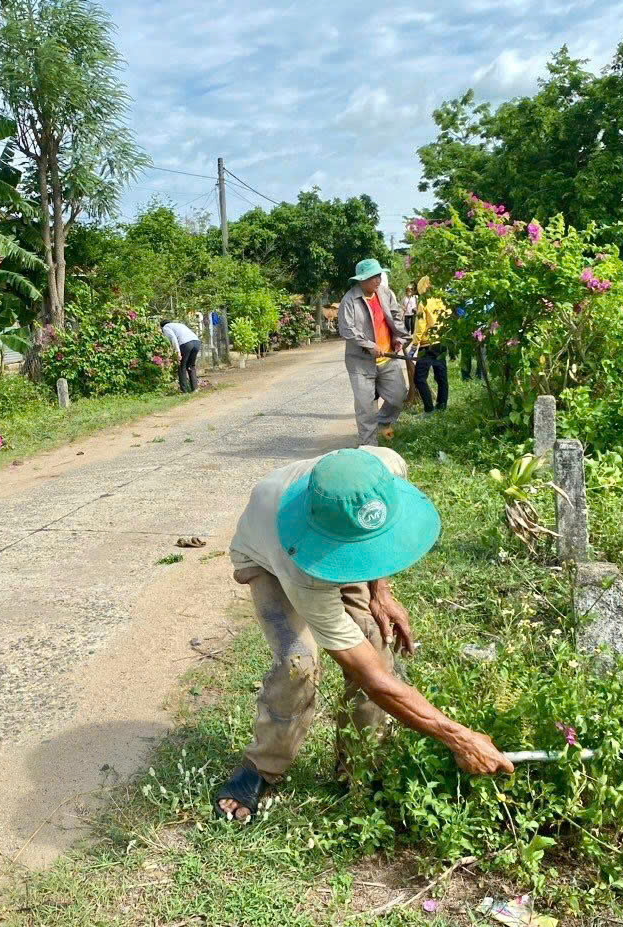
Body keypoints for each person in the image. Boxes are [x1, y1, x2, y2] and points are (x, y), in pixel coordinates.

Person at [213, 447, 513, 822]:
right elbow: (373, 680)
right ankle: (261, 767)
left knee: (375, 639)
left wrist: (380, 592)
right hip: (273, 559)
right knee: (298, 664)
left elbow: (376, 532)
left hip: (336, 532)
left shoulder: (382, 467)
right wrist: (457, 737)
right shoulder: (303, 569)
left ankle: (359, 766)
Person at [338, 259, 406, 445]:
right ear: (361, 280)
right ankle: (369, 447)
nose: (377, 280)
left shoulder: (385, 293)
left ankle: (382, 422)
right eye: (372, 277)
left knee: (399, 396)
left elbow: (396, 317)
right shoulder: (349, 300)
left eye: (378, 276)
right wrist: (368, 344)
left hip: (387, 358)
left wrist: (398, 337)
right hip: (361, 363)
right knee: (365, 408)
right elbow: (346, 329)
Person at [411, 291, 450, 414]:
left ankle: (429, 409)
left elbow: (420, 324)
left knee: (419, 378)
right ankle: (442, 405)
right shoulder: (443, 299)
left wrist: (415, 343)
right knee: (441, 376)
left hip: (427, 344)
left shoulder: (424, 301)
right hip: (442, 342)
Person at [161, 319, 202, 393]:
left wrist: (178, 352)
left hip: (186, 344)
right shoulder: (179, 324)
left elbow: (173, 338)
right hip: (196, 342)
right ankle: (195, 389)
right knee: (191, 366)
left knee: (181, 366)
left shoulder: (165, 327)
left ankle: (184, 390)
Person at [400, 284, 420, 409]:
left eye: (410, 290)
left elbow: (420, 329)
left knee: (419, 376)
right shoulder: (404, 299)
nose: (409, 292)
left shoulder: (416, 299)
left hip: (424, 343)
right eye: (408, 290)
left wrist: (413, 348)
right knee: (408, 326)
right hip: (407, 315)